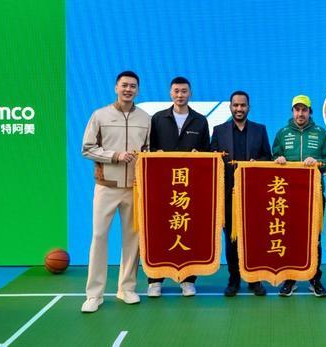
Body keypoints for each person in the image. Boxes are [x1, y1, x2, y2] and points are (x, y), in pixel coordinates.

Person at [80, 71, 151, 313]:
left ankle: (126, 288)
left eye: (132, 86)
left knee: (133, 240)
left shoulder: (145, 118)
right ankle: (94, 294)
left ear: (138, 90)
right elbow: (87, 148)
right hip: (106, 187)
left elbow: (149, 151)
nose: (128, 89)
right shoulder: (99, 115)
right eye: (124, 85)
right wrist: (115, 156)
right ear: (116, 88)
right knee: (99, 237)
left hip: (134, 188)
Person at [147, 76, 210, 298]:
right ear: (170, 93)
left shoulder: (200, 121)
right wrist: (157, 154)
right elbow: (149, 149)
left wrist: (199, 155)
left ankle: (188, 280)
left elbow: (207, 152)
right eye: (176, 91)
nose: (180, 95)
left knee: (188, 230)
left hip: (189, 188)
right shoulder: (157, 119)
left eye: (184, 91)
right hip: (162, 186)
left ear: (190, 93)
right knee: (160, 230)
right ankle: (155, 280)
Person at [272, 94, 326, 297]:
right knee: (290, 236)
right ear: (292, 112)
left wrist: (317, 162)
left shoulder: (321, 133)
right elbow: (273, 157)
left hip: (314, 194)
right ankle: (290, 279)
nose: (300, 113)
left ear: (310, 112)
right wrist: (278, 160)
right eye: (297, 110)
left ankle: (315, 279)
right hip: (287, 194)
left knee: (314, 237)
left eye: (304, 110)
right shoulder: (282, 134)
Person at [211, 91, 272, 297]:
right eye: (235, 105)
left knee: (254, 238)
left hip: (253, 195)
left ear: (249, 107)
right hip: (227, 195)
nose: (239, 109)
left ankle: (254, 280)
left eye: (243, 105)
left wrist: (257, 163)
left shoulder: (260, 130)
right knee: (231, 240)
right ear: (230, 107)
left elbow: (268, 157)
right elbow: (212, 161)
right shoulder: (218, 131)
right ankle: (234, 280)